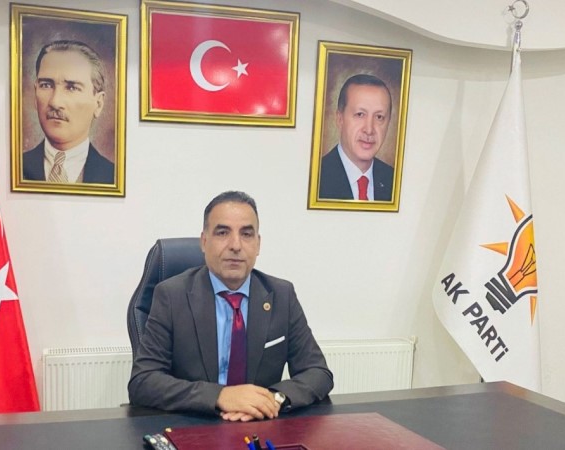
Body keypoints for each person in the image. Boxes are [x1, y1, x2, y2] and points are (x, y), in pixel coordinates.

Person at [129, 191, 333, 421]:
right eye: (223, 232)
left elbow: (318, 372)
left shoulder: (281, 295)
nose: (236, 245)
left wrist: (273, 399)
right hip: (196, 423)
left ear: (258, 244)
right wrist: (219, 396)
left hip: (259, 424)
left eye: (246, 234)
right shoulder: (171, 295)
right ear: (204, 242)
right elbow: (143, 381)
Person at [23, 40, 115, 184]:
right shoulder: (12, 169)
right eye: (46, 85)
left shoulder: (113, 177)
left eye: (72, 88)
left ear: (98, 104)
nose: (55, 102)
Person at [319, 74, 395, 201]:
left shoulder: (395, 181)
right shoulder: (316, 177)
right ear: (340, 119)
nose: (369, 130)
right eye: (360, 114)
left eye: (379, 117)